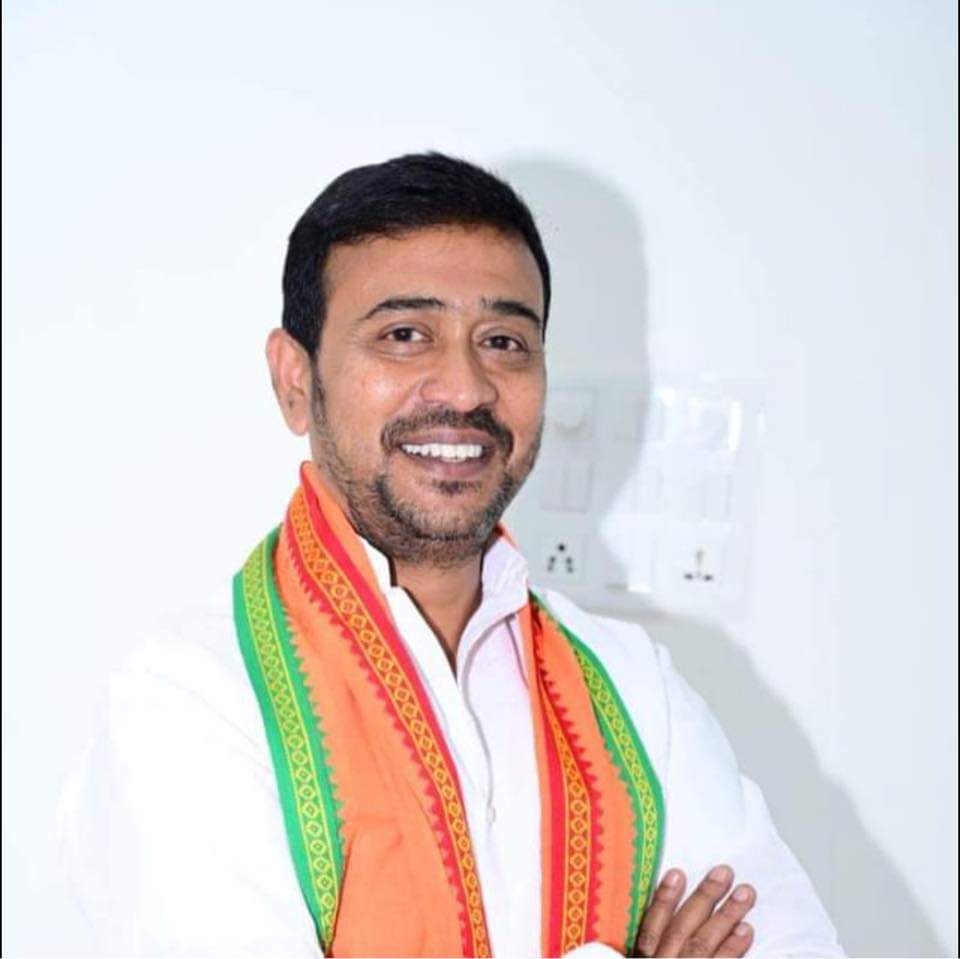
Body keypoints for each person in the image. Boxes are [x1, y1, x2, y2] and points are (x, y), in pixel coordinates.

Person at [61, 153, 842, 958]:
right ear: (296, 381)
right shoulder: (193, 696)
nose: (466, 387)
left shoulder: (635, 689)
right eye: (405, 335)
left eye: (504, 341)